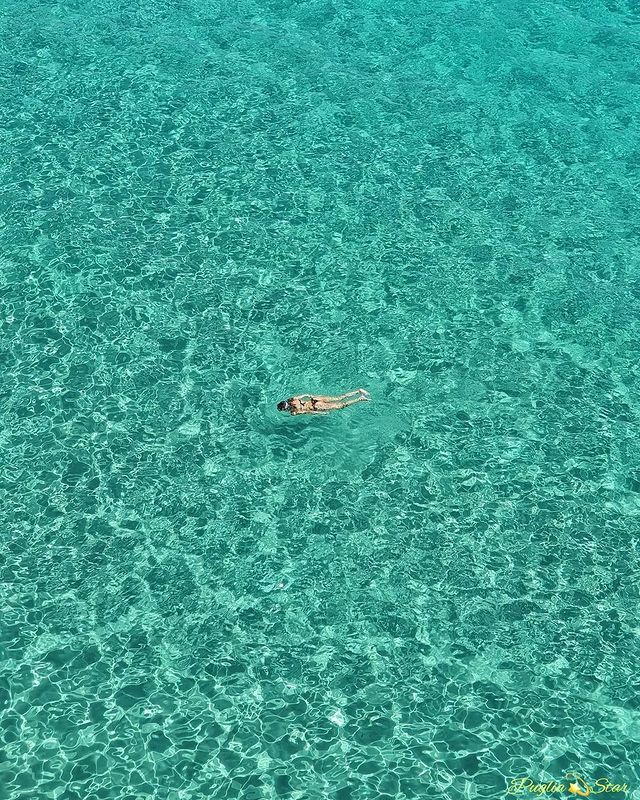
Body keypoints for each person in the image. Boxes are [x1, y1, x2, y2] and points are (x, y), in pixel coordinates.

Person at [277, 389, 370, 415]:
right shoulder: (292, 399)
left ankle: (360, 398)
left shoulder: (293, 412)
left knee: (341, 406)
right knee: (339, 397)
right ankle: (358, 391)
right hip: (315, 399)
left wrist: (320, 413)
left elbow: (307, 411)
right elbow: (304, 395)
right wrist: (310, 396)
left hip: (317, 406)